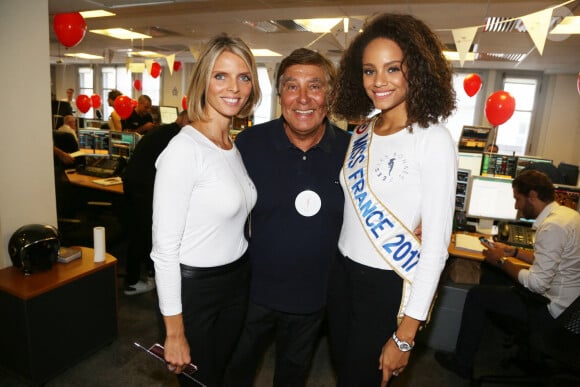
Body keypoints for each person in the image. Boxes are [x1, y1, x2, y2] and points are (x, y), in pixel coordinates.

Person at [327, 13, 457, 386]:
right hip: (342, 274)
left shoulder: (432, 138)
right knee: (344, 372)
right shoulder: (363, 129)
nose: (378, 81)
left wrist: (406, 333)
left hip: (386, 282)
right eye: (369, 71)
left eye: (392, 68)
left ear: (415, 69)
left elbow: (435, 247)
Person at [223, 48, 350, 386]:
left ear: (330, 94)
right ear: (280, 95)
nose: (303, 98)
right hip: (251, 293)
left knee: (291, 379)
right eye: (292, 86)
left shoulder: (352, 152)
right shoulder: (248, 144)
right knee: (234, 374)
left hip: (313, 298)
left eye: (315, 86)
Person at [150, 33, 261, 387]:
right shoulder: (184, 151)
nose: (234, 87)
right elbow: (164, 251)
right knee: (202, 381)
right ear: (203, 83)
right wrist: (174, 332)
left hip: (236, 280)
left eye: (244, 77)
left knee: (223, 374)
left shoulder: (231, 144)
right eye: (221, 75)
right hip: (197, 291)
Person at [436, 170, 580, 379]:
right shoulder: (568, 216)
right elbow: (549, 260)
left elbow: (537, 284)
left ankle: (462, 363)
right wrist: (512, 252)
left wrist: (500, 261)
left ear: (532, 196)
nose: (516, 206)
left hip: (550, 310)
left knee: (477, 295)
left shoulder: (551, 227)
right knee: (493, 278)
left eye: (517, 199)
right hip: (570, 305)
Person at [122, 110, 191, 296]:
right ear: (184, 118)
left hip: (133, 184)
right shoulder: (177, 137)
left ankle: (144, 276)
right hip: (144, 188)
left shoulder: (161, 131)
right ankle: (133, 281)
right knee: (146, 234)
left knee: (140, 232)